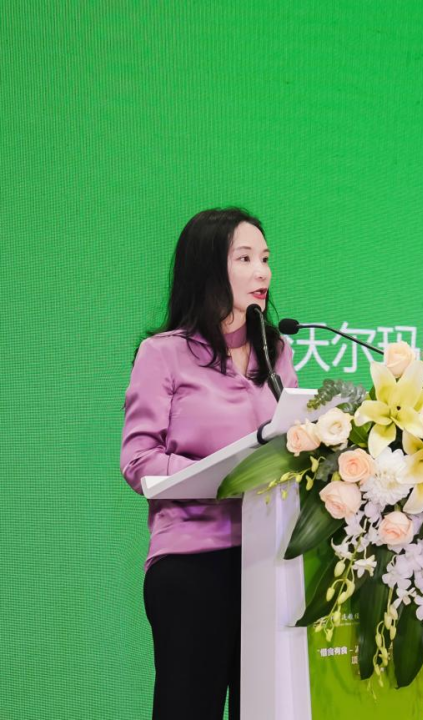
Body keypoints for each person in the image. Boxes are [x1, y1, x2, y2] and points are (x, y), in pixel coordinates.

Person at [120, 208, 298, 720]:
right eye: (245, 258)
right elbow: (139, 460)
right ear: (208, 267)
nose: (262, 272)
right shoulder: (163, 354)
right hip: (192, 564)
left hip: (269, 564)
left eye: (265, 258)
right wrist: (225, 474)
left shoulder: (276, 352)